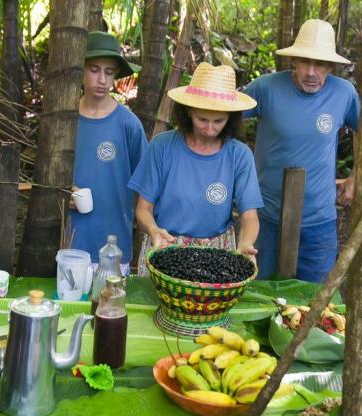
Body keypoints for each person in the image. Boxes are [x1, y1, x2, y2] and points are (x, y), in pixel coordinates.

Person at [243, 19, 361, 283]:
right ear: (293, 60)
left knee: (315, 300)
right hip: (266, 216)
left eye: (319, 64)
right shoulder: (265, 88)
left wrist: (356, 174)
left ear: (331, 66)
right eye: (305, 62)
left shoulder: (344, 93)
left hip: (319, 220)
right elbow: (224, 118)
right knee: (257, 294)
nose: (311, 72)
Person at [128, 63, 263, 277]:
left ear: (231, 116)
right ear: (188, 111)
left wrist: (245, 244)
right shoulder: (162, 146)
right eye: (202, 119)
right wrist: (154, 231)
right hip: (166, 247)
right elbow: (143, 209)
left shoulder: (240, 155)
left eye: (218, 121)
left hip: (219, 255)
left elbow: (249, 216)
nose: (210, 129)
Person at [68, 31, 147, 271]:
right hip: (70, 242)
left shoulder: (128, 124)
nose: (102, 79)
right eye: (94, 69)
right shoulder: (64, 119)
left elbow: (145, 185)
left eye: (109, 72)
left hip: (114, 245)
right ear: (80, 69)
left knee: (110, 307)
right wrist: (62, 192)